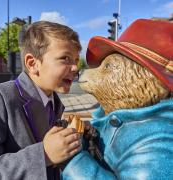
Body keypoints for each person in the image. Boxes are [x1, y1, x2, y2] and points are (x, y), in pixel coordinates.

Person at [61, 19, 173, 179]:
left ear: (143, 77)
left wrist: (72, 159)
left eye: (107, 67)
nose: (85, 71)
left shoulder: (161, 144)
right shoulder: (118, 116)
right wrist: (86, 139)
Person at [0, 21, 82, 180]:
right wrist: (44, 154)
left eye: (76, 60)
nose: (75, 67)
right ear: (32, 64)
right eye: (65, 58)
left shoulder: (55, 102)